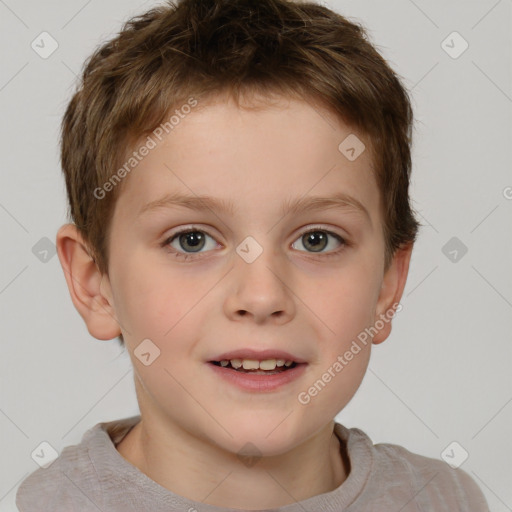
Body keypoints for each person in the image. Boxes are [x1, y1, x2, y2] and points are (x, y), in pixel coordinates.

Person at [16, 0, 489, 510]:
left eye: (317, 239)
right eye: (191, 240)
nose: (261, 297)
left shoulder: (445, 500)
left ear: (388, 285)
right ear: (95, 283)